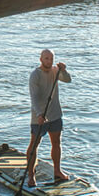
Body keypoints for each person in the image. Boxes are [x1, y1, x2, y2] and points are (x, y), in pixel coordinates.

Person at [24, 48, 72, 187]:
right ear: (41, 59)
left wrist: (63, 70)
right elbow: (34, 98)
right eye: (46, 58)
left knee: (56, 143)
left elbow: (68, 80)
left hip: (55, 114)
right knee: (34, 144)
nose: (49, 61)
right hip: (39, 116)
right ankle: (31, 176)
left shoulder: (55, 71)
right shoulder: (35, 75)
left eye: (51, 59)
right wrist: (39, 114)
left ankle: (57, 171)